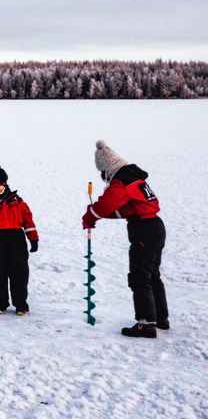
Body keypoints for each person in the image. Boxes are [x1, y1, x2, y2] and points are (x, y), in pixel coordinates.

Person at [82, 140, 169, 339]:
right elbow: (127, 209)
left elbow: (105, 205)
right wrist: (98, 215)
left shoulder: (121, 181)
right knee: (152, 275)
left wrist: (91, 216)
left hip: (144, 230)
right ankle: (161, 318)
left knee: (139, 277)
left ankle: (146, 324)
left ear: (106, 167)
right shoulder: (135, 179)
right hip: (155, 226)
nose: (102, 176)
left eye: (101, 172)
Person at [0, 164, 39, 315]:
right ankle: (0, 304)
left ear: (5, 184)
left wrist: (33, 238)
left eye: (0, 184)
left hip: (16, 238)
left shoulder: (16, 200)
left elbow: (27, 220)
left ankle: (20, 305)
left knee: (19, 271)